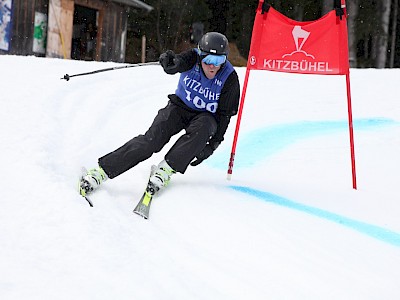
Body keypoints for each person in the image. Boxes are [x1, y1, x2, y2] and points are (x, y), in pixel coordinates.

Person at [79, 32, 241, 197]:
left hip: (204, 117)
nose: (212, 66)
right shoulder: (192, 58)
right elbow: (177, 63)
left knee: (206, 125)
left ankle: (165, 170)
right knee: (150, 142)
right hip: (178, 108)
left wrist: (212, 146)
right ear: (200, 56)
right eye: (208, 60)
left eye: (219, 61)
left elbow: (224, 116)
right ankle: (102, 172)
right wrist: (171, 62)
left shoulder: (229, 79)